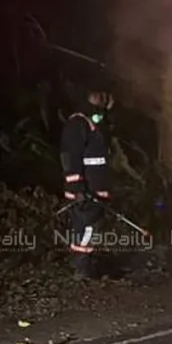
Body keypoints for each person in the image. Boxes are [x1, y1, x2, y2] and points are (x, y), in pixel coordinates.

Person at [60, 91, 115, 279]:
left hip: (96, 187)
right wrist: (77, 187)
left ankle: (88, 265)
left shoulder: (97, 121)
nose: (103, 99)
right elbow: (70, 157)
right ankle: (82, 269)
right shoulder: (78, 122)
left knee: (91, 229)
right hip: (85, 190)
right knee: (86, 229)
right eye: (98, 95)